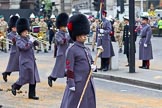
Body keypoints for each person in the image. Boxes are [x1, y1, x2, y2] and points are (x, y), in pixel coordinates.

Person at [60, 14, 96, 108]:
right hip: (77, 84)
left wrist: (94, 67)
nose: (85, 36)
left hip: (88, 82)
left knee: (88, 103)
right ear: (77, 35)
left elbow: (91, 62)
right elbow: (69, 69)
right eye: (82, 34)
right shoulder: (72, 49)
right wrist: (71, 84)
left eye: (85, 34)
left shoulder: (86, 49)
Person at [11, 18, 40, 100]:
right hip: (25, 61)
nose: (26, 32)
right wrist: (30, 42)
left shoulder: (27, 38)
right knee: (24, 78)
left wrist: (35, 40)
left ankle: (32, 94)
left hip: (31, 61)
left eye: (27, 31)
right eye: (25, 31)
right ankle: (15, 86)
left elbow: (36, 45)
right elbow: (24, 47)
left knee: (33, 78)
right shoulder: (18, 40)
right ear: (21, 32)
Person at [48, 13, 70, 87]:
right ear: (60, 27)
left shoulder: (66, 33)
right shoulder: (58, 34)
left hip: (67, 53)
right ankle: (51, 77)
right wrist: (66, 38)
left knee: (68, 68)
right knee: (58, 69)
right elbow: (60, 42)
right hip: (61, 53)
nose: (65, 28)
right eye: (64, 26)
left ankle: (69, 82)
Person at [2, 15, 19, 82]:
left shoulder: (18, 33)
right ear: (11, 27)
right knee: (11, 66)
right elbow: (13, 42)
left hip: (19, 51)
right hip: (14, 52)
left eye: (16, 27)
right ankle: (5, 73)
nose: (15, 28)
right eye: (14, 27)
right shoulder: (10, 34)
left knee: (20, 65)